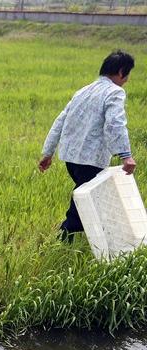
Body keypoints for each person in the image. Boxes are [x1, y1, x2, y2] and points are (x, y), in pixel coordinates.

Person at [39, 50, 137, 243]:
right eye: (127, 74)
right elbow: (115, 123)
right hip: (90, 160)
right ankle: (64, 237)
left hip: (71, 159)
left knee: (93, 199)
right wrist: (126, 155)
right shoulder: (114, 92)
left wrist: (48, 152)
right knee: (88, 202)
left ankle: (102, 240)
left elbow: (60, 121)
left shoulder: (83, 91)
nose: (127, 80)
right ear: (120, 71)